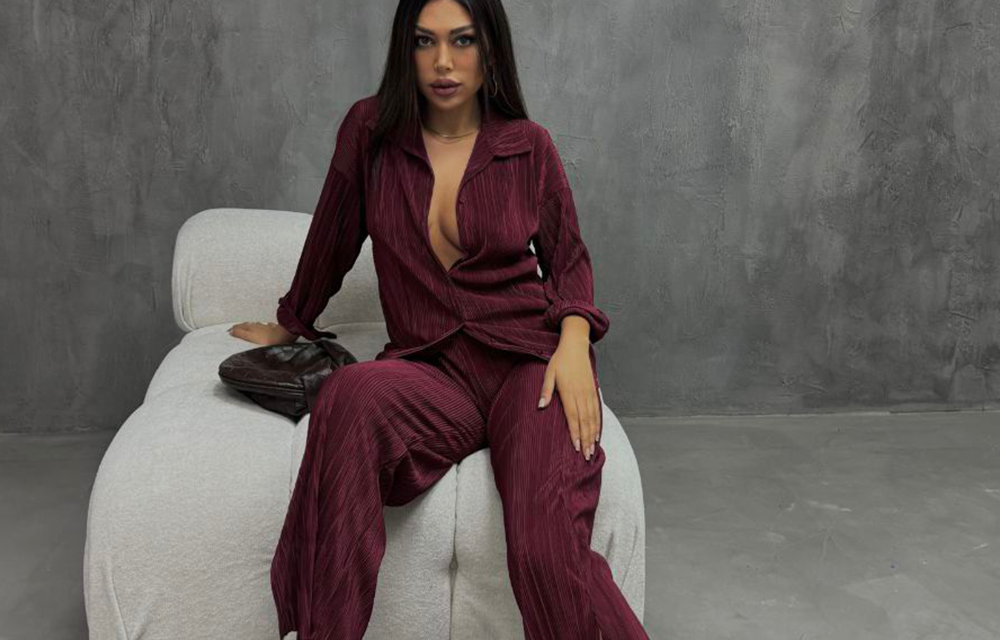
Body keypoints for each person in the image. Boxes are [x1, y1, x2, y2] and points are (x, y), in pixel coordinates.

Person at [230, 1, 648, 638]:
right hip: (431, 371)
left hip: (527, 364)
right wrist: (291, 323)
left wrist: (571, 344)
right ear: (406, 49)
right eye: (425, 42)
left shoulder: (528, 147)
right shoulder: (370, 133)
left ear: (490, 50)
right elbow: (332, 239)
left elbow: (568, 261)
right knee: (348, 395)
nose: (444, 62)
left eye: (463, 41)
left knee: (544, 544)